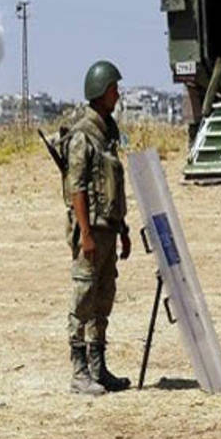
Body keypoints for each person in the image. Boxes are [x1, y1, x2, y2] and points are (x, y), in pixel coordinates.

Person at [62, 60, 132, 395]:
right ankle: (79, 373)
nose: (117, 94)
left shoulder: (108, 131)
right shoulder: (82, 137)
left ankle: (98, 368)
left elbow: (114, 183)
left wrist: (124, 229)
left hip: (109, 229)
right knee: (83, 300)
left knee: (103, 300)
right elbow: (77, 188)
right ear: (100, 92)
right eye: (113, 89)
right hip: (91, 233)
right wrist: (85, 234)